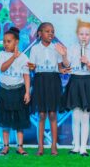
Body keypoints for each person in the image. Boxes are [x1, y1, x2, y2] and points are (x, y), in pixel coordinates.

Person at [62, 19, 90, 157]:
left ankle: (84, 148)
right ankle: (76, 146)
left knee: (85, 116)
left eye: (87, 34)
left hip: (87, 82)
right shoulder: (72, 47)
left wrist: (89, 63)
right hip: (75, 81)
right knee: (75, 116)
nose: (84, 36)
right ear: (77, 34)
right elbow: (66, 64)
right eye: (81, 33)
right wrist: (64, 55)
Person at [29, 22, 67, 156]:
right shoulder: (34, 49)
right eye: (47, 31)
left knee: (52, 113)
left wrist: (64, 57)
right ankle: (40, 147)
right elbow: (32, 67)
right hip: (40, 81)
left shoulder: (56, 48)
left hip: (53, 81)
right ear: (40, 34)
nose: (50, 33)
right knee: (41, 115)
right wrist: (28, 66)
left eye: (52, 31)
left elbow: (61, 67)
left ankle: (53, 146)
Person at [0, 27, 31, 156]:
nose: (5, 43)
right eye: (4, 41)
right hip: (4, 91)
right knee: (4, 120)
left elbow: (26, 75)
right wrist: (13, 58)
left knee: (19, 120)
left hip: (18, 91)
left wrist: (27, 92)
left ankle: (20, 147)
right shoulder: (1, 55)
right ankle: (5, 147)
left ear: (16, 42)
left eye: (9, 41)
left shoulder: (23, 57)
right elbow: (2, 68)